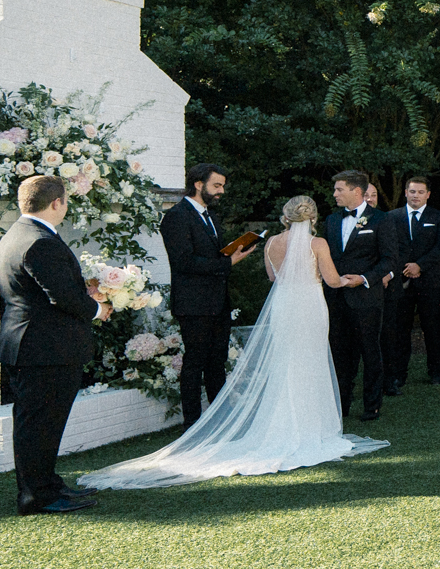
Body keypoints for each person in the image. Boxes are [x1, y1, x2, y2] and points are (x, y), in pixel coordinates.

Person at [82, 196, 389, 490]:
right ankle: (310, 429)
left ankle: (280, 426)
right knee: (309, 362)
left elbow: (272, 277)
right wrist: (356, 279)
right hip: (309, 304)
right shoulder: (317, 243)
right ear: (312, 217)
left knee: (284, 362)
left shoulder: (271, 243)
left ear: (286, 216)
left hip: (283, 305)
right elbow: (333, 280)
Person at [0, 174, 112, 514]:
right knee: (39, 424)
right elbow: (61, 297)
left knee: (40, 423)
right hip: (44, 348)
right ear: (56, 203)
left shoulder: (16, 235)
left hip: (31, 344)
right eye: (66, 202)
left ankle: (46, 484)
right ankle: (37, 495)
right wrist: (98, 308)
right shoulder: (39, 241)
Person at [160, 162, 253, 425]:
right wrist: (228, 262)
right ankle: (192, 425)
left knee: (217, 363)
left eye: (222, 185)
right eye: (216, 185)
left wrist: (234, 251)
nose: (221, 191)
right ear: (198, 184)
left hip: (217, 301)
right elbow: (183, 262)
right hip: (193, 304)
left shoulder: (210, 216)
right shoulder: (177, 216)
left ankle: (220, 421)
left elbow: (211, 254)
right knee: (194, 364)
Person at [322, 170, 391, 421]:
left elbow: (390, 260)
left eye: (339, 189)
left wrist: (363, 279)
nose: (335, 194)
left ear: (357, 192)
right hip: (335, 297)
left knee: (369, 351)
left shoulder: (381, 220)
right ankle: (341, 406)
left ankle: (372, 405)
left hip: (366, 298)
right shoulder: (330, 220)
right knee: (339, 352)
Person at [381, 174, 440, 390]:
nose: (416, 196)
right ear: (405, 193)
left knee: (432, 327)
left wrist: (420, 265)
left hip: (430, 281)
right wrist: (406, 268)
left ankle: (436, 371)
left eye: (421, 192)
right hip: (400, 281)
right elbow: (388, 248)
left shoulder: (439, 217)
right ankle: (398, 374)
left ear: (428, 195)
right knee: (400, 329)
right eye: (412, 191)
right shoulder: (391, 217)